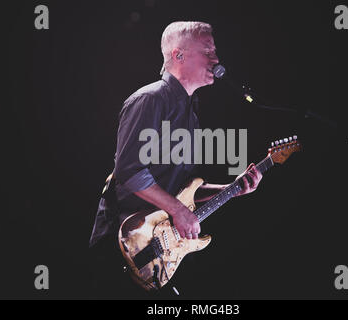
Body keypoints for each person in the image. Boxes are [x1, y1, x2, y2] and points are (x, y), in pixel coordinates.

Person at [89, 21, 263, 299]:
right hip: (125, 244)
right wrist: (180, 213)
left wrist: (232, 188)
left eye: (215, 52)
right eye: (208, 50)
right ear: (178, 55)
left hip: (156, 253)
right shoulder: (150, 99)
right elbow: (130, 171)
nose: (216, 59)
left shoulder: (190, 113)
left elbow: (182, 189)